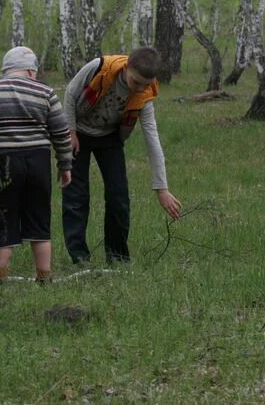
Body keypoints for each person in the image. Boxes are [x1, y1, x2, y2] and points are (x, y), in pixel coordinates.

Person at [62, 46, 182, 265]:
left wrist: (161, 187)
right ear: (126, 67)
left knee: (119, 198)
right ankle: (79, 256)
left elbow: (152, 140)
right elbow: (70, 94)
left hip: (109, 138)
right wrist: (69, 132)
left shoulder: (144, 94)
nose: (140, 89)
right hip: (78, 131)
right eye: (136, 82)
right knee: (76, 196)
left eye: (146, 85)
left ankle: (117, 256)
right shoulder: (100, 67)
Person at [0, 46, 72, 283]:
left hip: (3, 162)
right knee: (40, 219)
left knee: (4, 217)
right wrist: (65, 165)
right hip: (39, 162)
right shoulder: (46, 92)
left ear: (6, 70)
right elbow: (61, 133)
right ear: (31, 70)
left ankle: (1, 279)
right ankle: (44, 277)